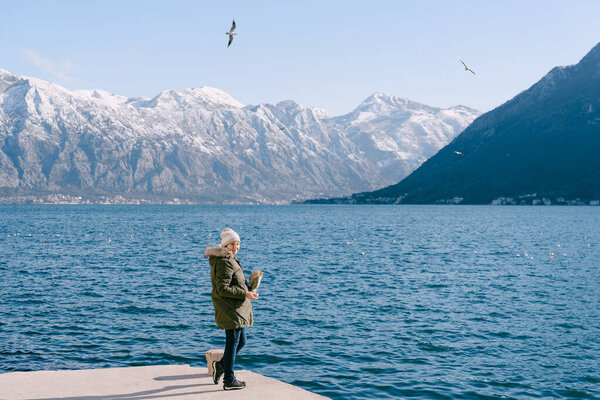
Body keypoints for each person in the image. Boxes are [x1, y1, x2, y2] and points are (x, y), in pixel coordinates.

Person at [205, 228, 259, 391]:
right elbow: (223, 289)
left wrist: (249, 286)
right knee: (233, 341)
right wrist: (245, 293)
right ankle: (229, 379)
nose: (236, 247)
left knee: (241, 341)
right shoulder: (224, 262)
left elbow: (234, 283)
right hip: (230, 309)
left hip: (236, 309)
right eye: (232, 244)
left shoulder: (231, 259)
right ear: (226, 245)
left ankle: (220, 366)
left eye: (238, 244)